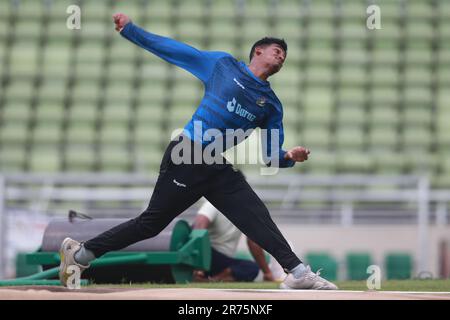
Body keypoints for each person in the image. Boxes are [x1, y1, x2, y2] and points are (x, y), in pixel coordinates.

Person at [58, 13, 338, 290]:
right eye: (277, 51)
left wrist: (290, 156)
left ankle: (299, 272)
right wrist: (132, 30)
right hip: (188, 154)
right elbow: (176, 51)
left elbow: (271, 156)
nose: (281, 58)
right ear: (258, 51)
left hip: (215, 165)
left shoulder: (272, 105)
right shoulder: (223, 66)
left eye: (284, 57)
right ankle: (80, 254)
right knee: (150, 224)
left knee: (255, 214)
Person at [192, 198, 278, 282]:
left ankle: (210, 278)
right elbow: (198, 229)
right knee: (252, 268)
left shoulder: (245, 212)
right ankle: (214, 278)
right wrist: (267, 273)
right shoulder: (212, 205)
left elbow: (253, 242)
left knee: (252, 268)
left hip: (218, 262)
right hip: (207, 255)